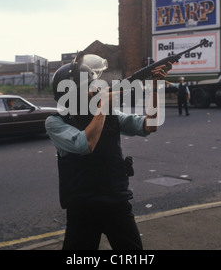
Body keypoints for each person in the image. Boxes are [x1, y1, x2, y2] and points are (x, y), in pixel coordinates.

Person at [45, 53, 170, 250]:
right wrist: (102, 106)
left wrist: (156, 87)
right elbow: (85, 144)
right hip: (82, 209)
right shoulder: (56, 123)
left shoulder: (109, 113)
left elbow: (150, 125)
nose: (96, 88)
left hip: (116, 203)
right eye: (89, 87)